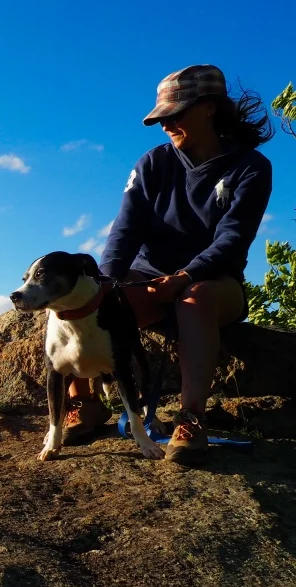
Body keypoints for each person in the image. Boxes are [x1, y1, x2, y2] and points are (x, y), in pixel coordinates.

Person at [64, 64, 273, 465]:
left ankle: (191, 417)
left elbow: (232, 240)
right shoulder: (152, 164)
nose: (165, 125)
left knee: (195, 300)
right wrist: (105, 282)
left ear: (210, 108)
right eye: (161, 118)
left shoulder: (250, 167)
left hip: (214, 282)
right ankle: (84, 401)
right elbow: (125, 231)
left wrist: (185, 277)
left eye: (175, 115)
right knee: (86, 294)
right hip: (150, 277)